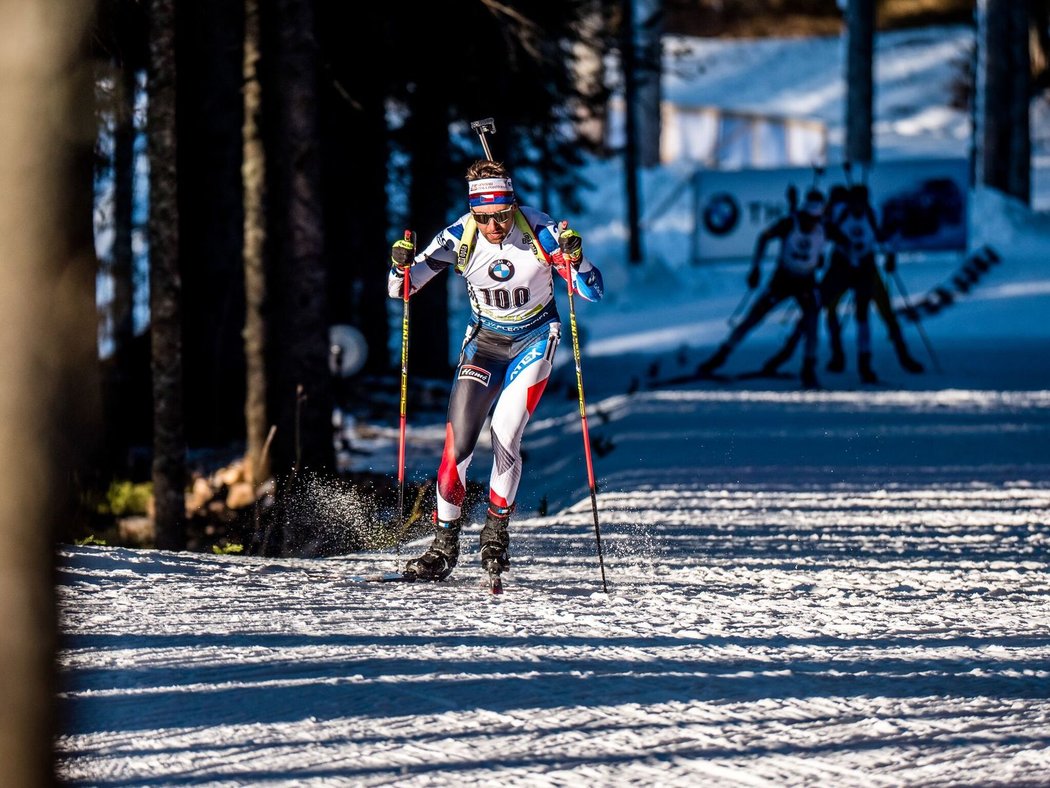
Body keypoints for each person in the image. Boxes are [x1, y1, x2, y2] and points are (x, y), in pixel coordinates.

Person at [387, 159, 604, 582]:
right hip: (484, 344)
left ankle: (495, 535)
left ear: (513, 207)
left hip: (535, 338)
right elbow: (402, 290)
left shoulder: (542, 232)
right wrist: (401, 264)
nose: (493, 226)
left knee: (505, 433)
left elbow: (592, 291)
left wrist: (575, 260)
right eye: (483, 217)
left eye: (500, 216)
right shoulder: (459, 235)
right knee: (457, 447)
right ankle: (443, 546)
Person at [758, 182, 924, 382]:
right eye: (854, 202)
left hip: (865, 267)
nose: (857, 207)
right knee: (821, 307)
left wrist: (890, 257)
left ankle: (881, 360)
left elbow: (885, 237)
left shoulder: (873, 214)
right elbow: (813, 226)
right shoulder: (839, 212)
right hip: (841, 267)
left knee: (873, 312)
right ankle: (825, 354)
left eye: (860, 202)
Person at [696, 187, 829, 389]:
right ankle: (721, 355)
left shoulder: (824, 227)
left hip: (806, 281)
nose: (809, 224)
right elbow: (764, 237)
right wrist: (755, 268)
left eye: (813, 221)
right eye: (806, 220)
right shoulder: (789, 223)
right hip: (783, 278)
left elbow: (846, 244)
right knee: (754, 316)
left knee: (812, 320)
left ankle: (809, 367)